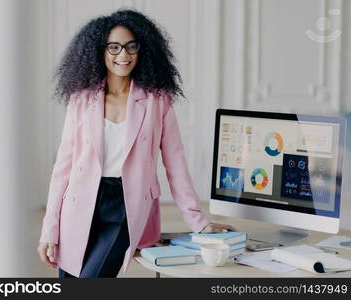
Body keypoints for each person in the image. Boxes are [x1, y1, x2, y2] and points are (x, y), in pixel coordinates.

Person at [37, 9, 236, 278]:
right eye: (115, 47)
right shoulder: (81, 100)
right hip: (80, 202)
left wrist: (198, 222)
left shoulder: (158, 100)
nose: (124, 55)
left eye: (132, 46)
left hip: (126, 206)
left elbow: (176, 166)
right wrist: (50, 229)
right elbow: (63, 166)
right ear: (100, 50)